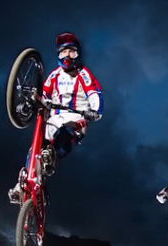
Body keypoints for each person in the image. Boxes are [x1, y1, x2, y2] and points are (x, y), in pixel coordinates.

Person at [8, 31, 103, 204]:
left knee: (66, 135)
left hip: (76, 115)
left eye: (71, 52)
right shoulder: (55, 74)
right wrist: (28, 103)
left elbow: (94, 93)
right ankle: (23, 185)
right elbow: (43, 93)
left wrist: (95, 110)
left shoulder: (83, 74)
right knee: (36, 146)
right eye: (63, 52)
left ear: (78, 54)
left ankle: (53, 156)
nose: (67, 55)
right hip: (54, 116)